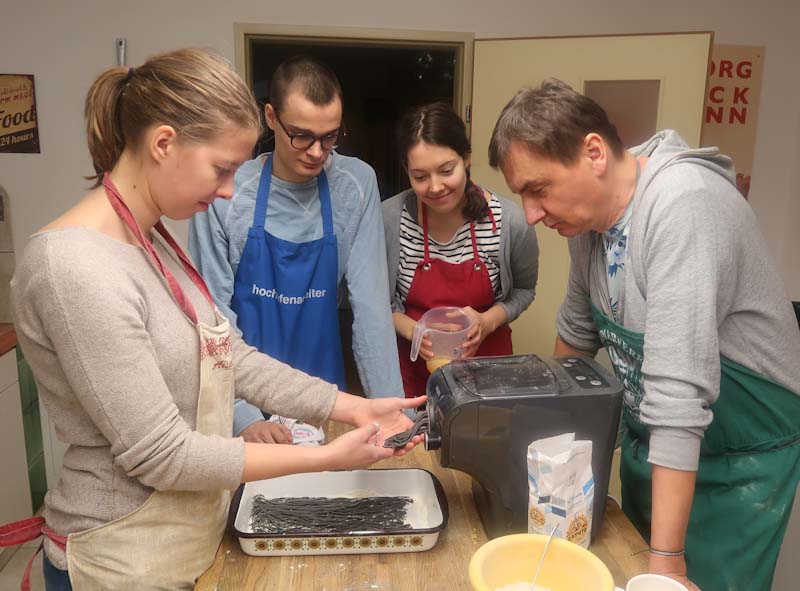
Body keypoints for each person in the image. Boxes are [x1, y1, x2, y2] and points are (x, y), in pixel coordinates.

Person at [2, 48, 422, 590]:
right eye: (222, 169)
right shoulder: (74, 267)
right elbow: (164, 456)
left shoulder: (152, 242)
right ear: (163, 143)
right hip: (120, 559)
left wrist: (356, 406)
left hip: (181, 548)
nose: (229, 191)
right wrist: (323, 458)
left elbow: (230, 358)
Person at [488, 78, 800, 591]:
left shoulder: (684, 206)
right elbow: (574, 343)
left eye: (538, 190)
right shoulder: (586, 226)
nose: (531, 214)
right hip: (653, 450)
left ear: (593, 153)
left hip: (740, 464)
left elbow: (678, 396)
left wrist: (668, 565)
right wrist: (556, 475)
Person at [189, 55, 404, 443]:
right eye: (302, 135)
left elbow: (372, 308)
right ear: (271, 117)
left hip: (325, 400)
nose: (318, 152)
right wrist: (243, 416)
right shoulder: (227, 193)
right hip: (243, 394)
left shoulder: (356, 184)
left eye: (330, 136)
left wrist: (390, 409)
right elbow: (212, 317)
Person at [383, 102, 538, 398]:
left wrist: (487, 321)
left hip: (490, 374)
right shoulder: (389, 220)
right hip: (413, 376)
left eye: (446, 170)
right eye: (420, 176)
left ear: (466, 158)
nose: (435, 186)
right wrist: (413, 331)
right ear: (406, 171)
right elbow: (376, 302)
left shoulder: (509, 222)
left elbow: (524, 290)